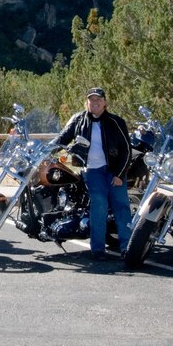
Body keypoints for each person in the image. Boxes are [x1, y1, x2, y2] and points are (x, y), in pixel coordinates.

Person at [54, 87, 133, 260]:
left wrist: (119, 175)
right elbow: (61, 139)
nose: (95, 102)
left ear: (105, 102)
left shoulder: (116, 122)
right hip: (92, 171)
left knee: (121, 207)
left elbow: (126, 150)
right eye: (91, 100)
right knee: (99, 206)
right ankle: (97, 249)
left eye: (98, 99)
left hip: (114, 171)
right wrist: (45, 151)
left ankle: (127, 247)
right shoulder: (78, 119)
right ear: (86, 102)